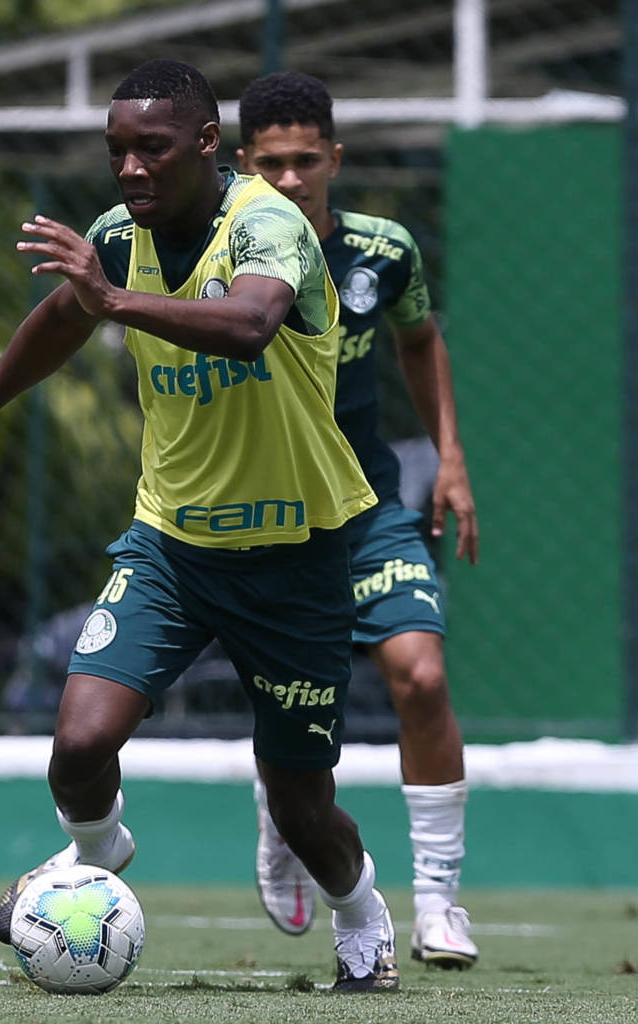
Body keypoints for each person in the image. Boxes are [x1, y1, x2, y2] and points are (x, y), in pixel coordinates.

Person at [0, 59, 400, 993]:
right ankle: (99, 852)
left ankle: (360, 911)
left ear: (208, 144)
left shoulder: (267, 223)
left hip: (296, 556)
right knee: (78, 747)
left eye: (153, 148)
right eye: (117, 150)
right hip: (173, 547)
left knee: (302, 809)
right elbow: (62, 319)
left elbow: (249, 325)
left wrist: (112, 300)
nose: (131, 167)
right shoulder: (117, 237)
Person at [237, 71, 480, 969]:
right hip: (260, 519)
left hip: (367, 507)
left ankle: (440, 904)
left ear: (335, 159)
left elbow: (420, 339)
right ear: (243, 165)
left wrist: (449, 459)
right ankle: (284, 819)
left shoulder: (385, 250)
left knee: (421, 677)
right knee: (292, 712)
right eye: (272, 164)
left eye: (307, 161)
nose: (291, 179)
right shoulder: (216, 253)